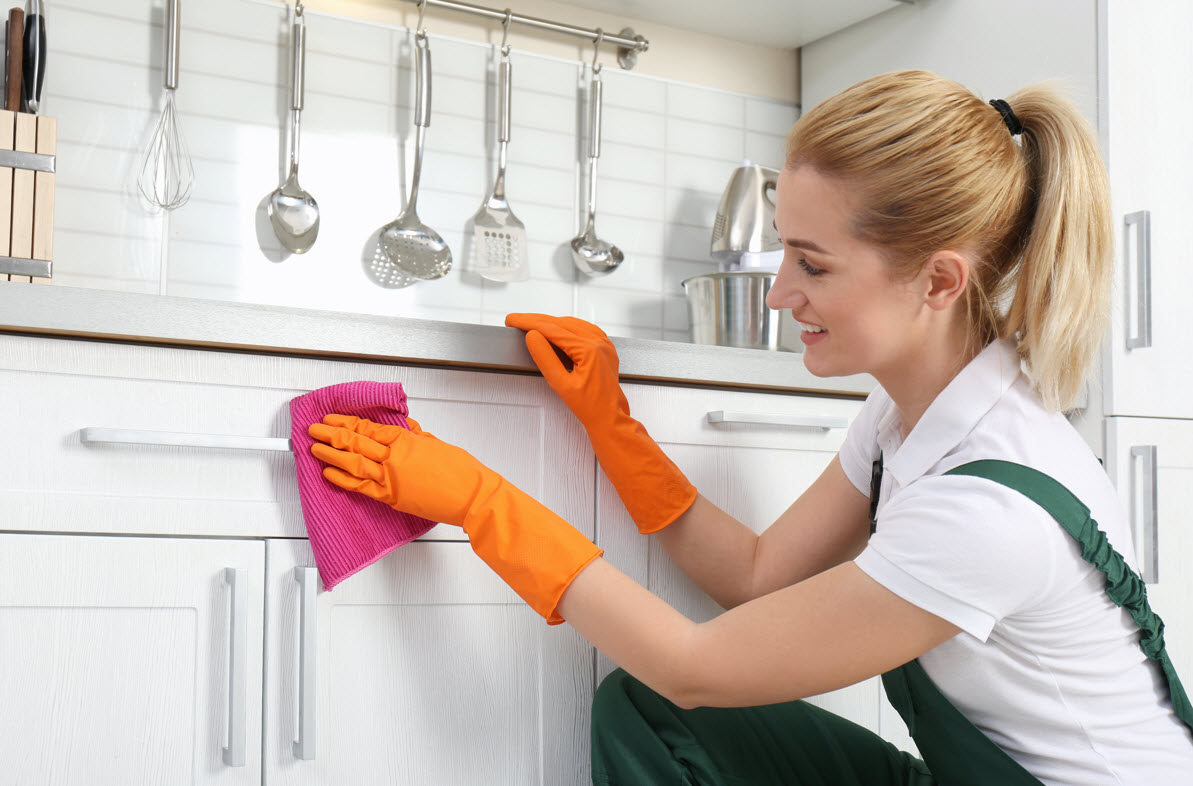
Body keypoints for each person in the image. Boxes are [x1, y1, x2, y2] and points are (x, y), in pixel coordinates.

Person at [307, 70, 1193, 784]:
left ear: (937, 281)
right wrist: (614, 427)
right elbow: (759, 576)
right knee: (649, 715)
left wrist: (480, 500)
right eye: (781, 252)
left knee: (672, 687)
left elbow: (695, 661)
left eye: (811, 264)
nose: (777, 293)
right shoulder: (910, 411)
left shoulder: (989, 509)